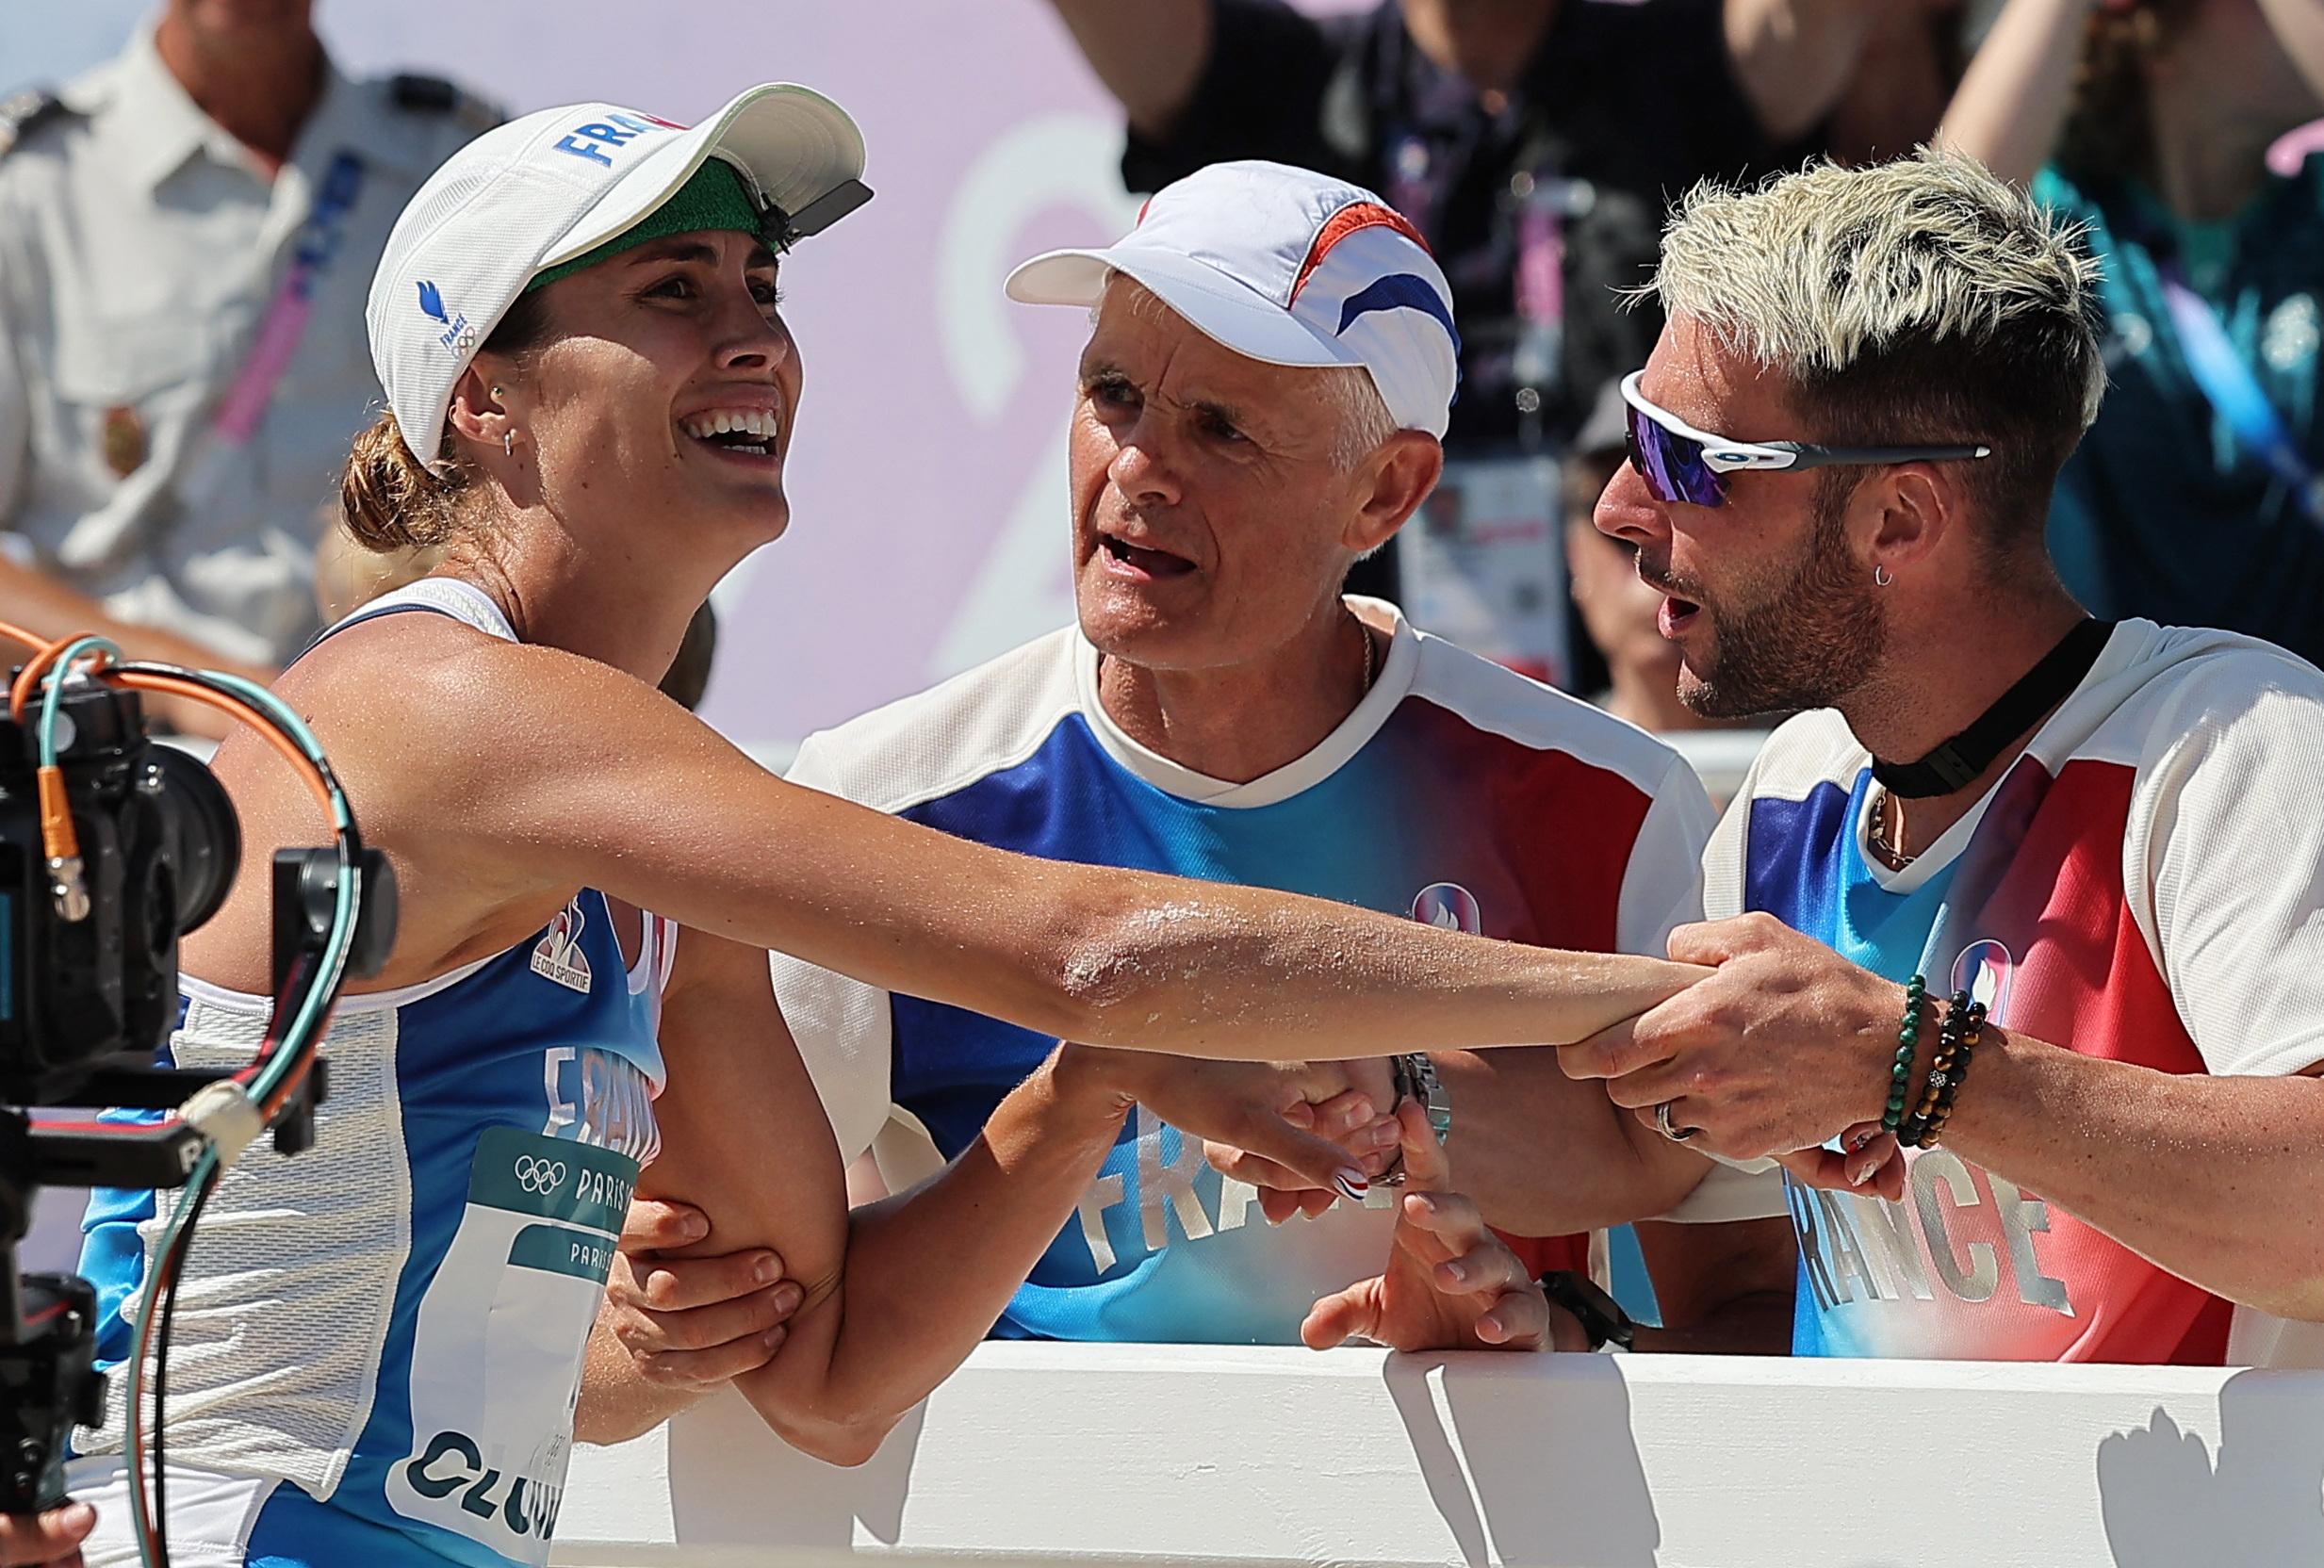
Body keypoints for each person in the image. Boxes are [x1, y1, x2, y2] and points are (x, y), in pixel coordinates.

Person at [59, 87, 1705, 1568]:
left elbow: (828, 1366)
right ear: (485, 401)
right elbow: (1095, 950)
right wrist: (1638, 1002)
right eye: (672, 294)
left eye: (763, 288)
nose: (756, 335)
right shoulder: (453, 702)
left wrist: (1088, 1092)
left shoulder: (653, 838)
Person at [581, 162, 1727, 1413]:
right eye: (1112, 393)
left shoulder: (1609, 803)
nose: (1137, 466)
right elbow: (763, 1329)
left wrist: (1551, 1348)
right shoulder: (877, 799)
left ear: (1384, 491)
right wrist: (662, 1315)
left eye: (1220, 427)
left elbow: (1744, 1335)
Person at [1562, 148, 2324, 1367]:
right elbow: (1755, 1320)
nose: (1616, 509)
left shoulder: (2233, 742)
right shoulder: (1794, 788)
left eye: (1684, 461)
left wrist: (1914, 1065)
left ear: (1897, 519)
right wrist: (1556, 1344)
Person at [1041, 0, 1895, 684]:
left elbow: (1800, 35)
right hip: (1353, 690)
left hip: (1647, 678)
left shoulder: (1683, 65)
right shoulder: (1288, 78)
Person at [0, 0, 498, 737]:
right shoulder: (33, 190)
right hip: (146, 765)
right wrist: (225, 698)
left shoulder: (459, 167)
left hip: (412, 737)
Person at [1939, 0, 2324, 663]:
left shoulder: (2313, 215)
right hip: (2121, 731)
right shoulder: (2062, 227)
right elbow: (1937, 230)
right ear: (2153, 32)